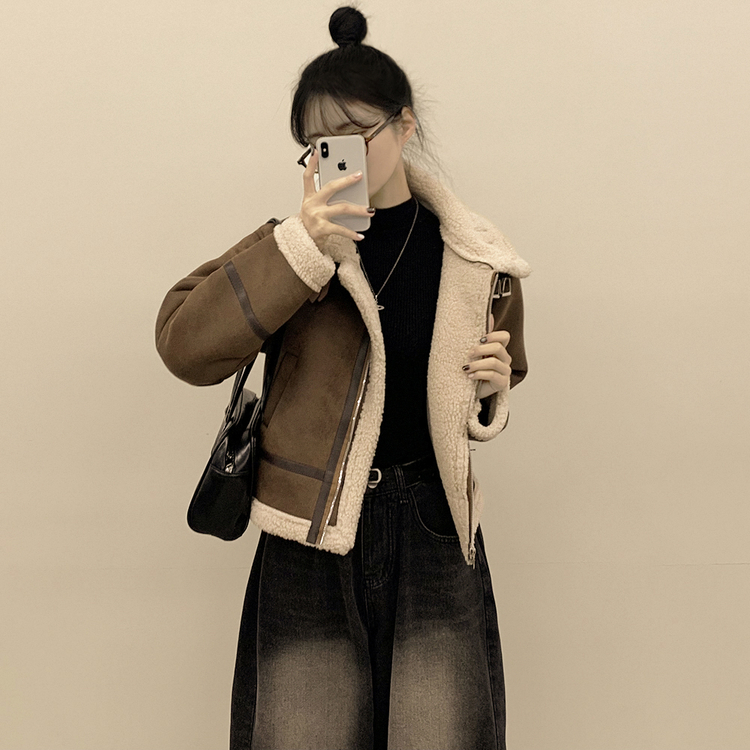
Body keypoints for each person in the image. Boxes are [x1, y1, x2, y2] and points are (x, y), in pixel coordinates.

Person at [155, 6, 530, 749]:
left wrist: (494, 389)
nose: (339, 156)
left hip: (433, 526)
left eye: (356, 134)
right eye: (319, 144)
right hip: (310, 531)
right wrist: (300, 251)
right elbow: (184, 346)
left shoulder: (476, 258)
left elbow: (498, 372)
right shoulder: (292, 249)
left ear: (405, 124)